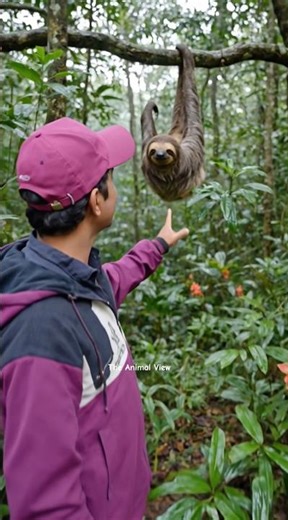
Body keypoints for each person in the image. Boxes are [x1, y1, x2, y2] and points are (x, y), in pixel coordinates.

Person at [0, 117, 189, 520]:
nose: (114, 186)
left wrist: (157, 246)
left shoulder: (68, 275)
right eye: (109, 178)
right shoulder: (41, 334)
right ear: (96, 202)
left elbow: (111, 281)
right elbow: (46, 506)